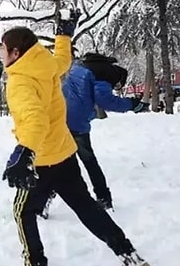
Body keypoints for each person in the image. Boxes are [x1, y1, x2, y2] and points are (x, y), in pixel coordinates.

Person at [0, 9, 150, 266]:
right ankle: (130, 257)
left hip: (41, 158)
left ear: (16, 52)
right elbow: (62, 60)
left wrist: (24, 153)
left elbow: (34, 119)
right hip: (65, 153)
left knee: (23, 213)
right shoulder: (45, 65)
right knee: (86, 207)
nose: (1, 54)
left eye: (3, 49)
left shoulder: (20, 80)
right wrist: (63, 35)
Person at [60, 53, 149, 210]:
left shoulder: (81, 64)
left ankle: (44, 199)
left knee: (58, 161)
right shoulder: (107, 74)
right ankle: (104, 197)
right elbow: (105, 100)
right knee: (89, 161)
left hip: (60, 115)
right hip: (77, 121)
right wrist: (131, 104)